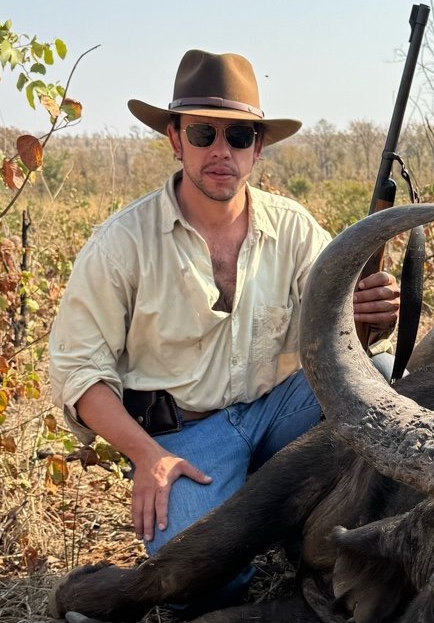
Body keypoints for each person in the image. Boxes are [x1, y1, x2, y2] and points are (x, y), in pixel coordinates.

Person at [48, 49, 398, 592]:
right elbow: (78, 370)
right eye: (203, 132)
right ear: (174, 138)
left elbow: (340, 333)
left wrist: (368, 312)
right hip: (184, 435)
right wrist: (148, 457)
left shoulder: (295, 228)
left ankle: (318, 518)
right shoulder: (122, 243)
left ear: (257, 147)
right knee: (192, 585)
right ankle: (246, 523)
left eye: (237, 137)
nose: (220, 151)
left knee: (375, 371)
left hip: (276, 412)